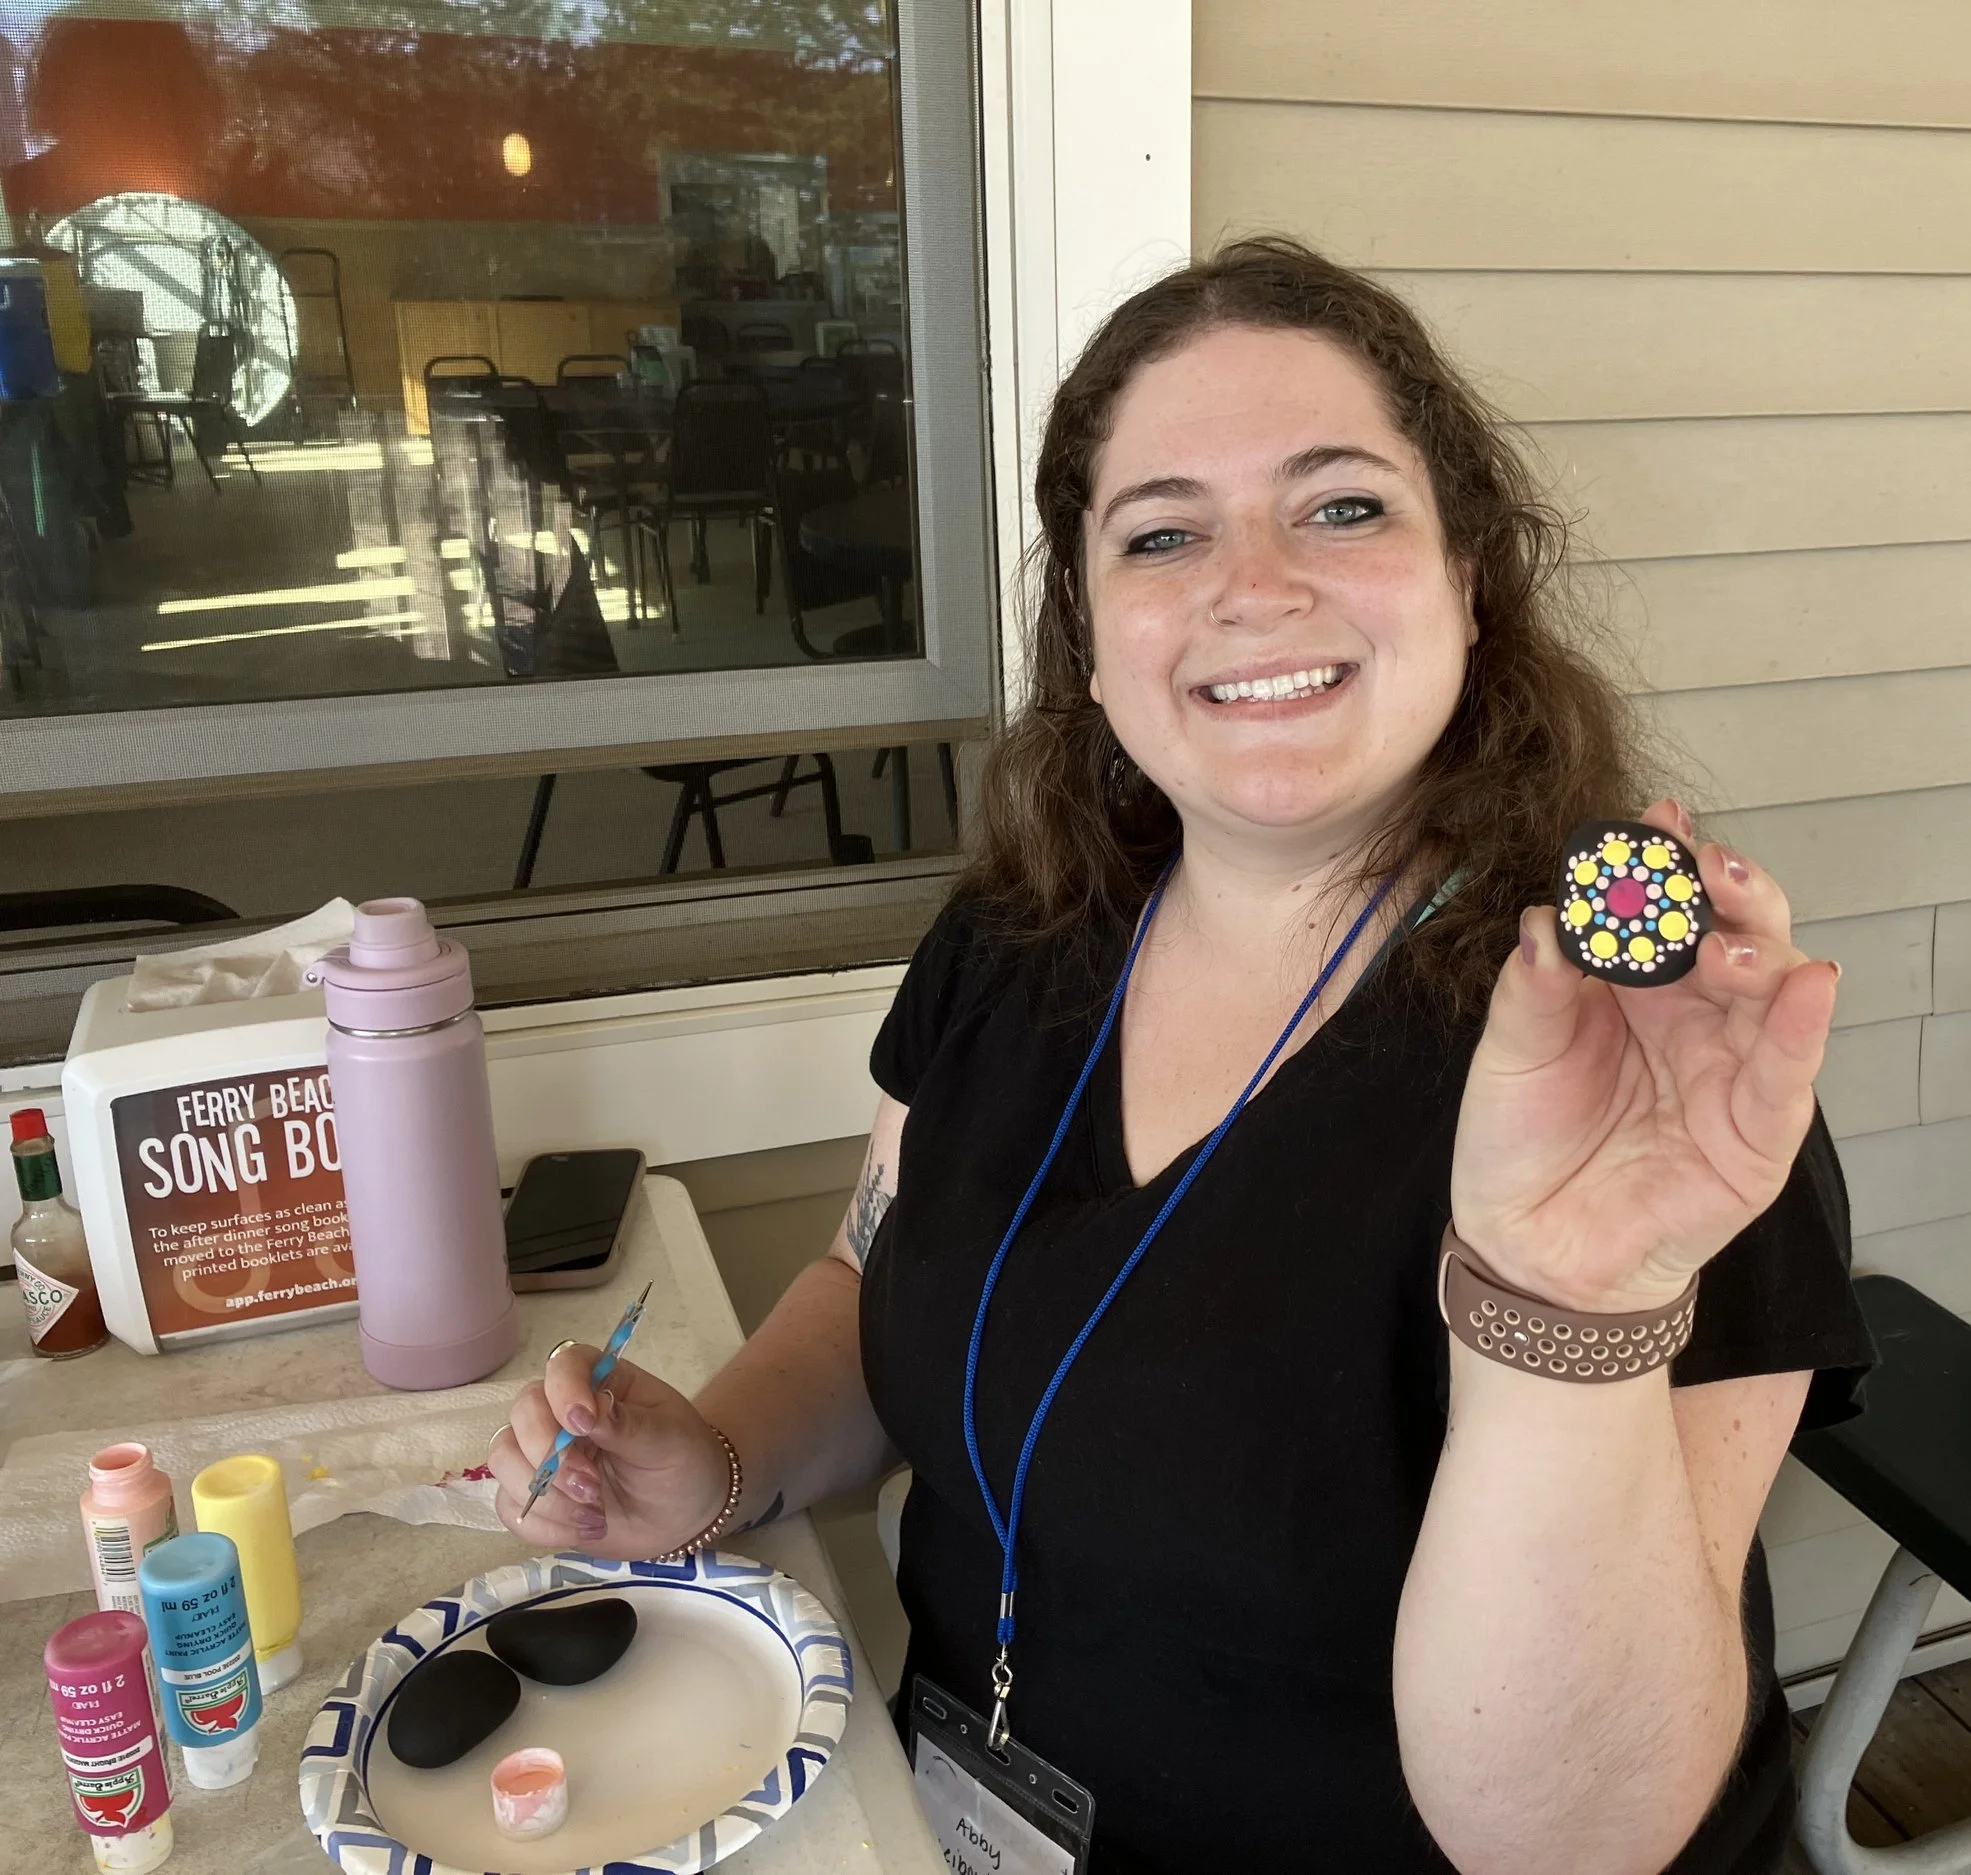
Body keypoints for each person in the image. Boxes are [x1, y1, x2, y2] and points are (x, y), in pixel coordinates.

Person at [490, 236, 1875, 1874]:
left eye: (1342, 505)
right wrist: (711, 1463)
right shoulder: (1014, 937)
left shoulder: (1630, 1083)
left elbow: (1578, 1842)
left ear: (1470, 582)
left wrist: (1564, 1305)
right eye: (1163, 532)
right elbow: (873, 1285)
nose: (1254, 584)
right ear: (1091, 635)